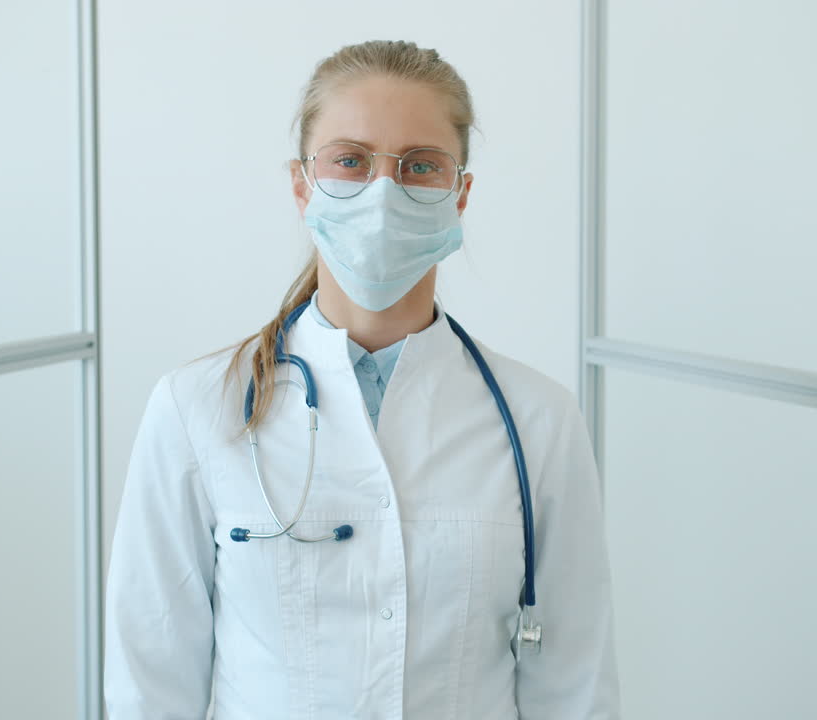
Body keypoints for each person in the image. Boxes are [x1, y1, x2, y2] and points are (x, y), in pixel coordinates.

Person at [104, 39, 620, 719]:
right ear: (301, 185)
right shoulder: (196, 408)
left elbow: (575, 685)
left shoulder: (540, 421)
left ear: (460, 194)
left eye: (420, 166)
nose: (383, 192)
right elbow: (150, 680)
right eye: (349, 161)